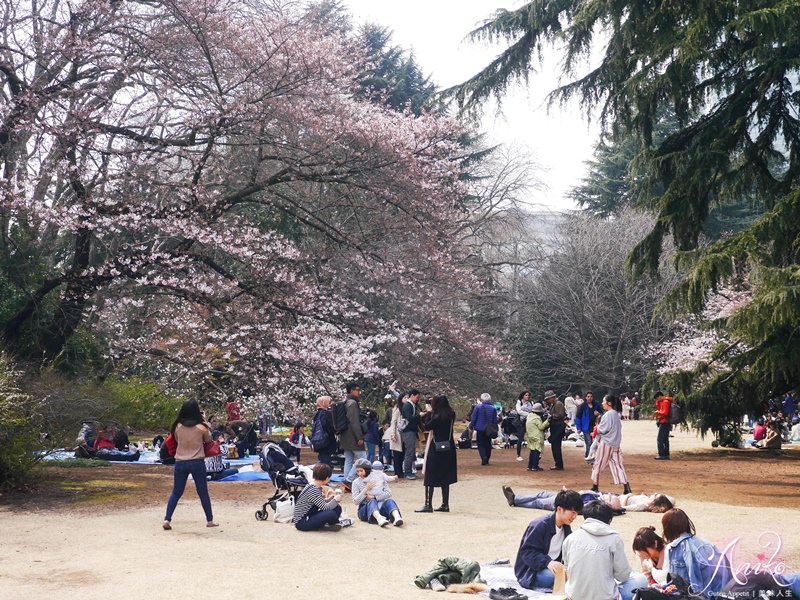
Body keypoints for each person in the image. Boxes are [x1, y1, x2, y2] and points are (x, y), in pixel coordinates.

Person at [562, 500, 647, 600]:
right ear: (609, 520)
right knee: (640, 580)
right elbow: (623, 576)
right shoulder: (614, 539)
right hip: (606, 597)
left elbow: (567, 569)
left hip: (575, 597)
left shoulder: (570, 538)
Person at [163, 399, 217, 530]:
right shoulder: (201, 427)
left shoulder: (178, 426)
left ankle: (167, 519)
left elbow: (175, 439)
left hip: (180, 461)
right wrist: (204, 422)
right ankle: (209, 520)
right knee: (203, 492)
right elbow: (209, 440)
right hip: (197, 461)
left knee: (176, 492)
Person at [514, 489, 583, 591]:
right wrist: (548, 563)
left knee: (579, 575)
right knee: (559, 578)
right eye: (572, 512)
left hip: (555, 568)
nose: (575, 517)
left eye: (576, 513)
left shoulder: (566, 528)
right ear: (559, 509)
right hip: (532, 571)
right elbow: (527, 552)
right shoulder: (539, 525)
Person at [661, 508, 731, 597]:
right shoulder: (706, 544)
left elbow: (683, 584)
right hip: (720, 594)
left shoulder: (675, 548)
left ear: (668, 528)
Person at [416, 395, 457, 513]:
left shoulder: (436, 416)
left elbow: (426, 426)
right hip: (449, 447)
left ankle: (428, 504)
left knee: (430, 474)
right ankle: (445, 504)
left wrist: (427, 414)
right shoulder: (451, 414)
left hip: (436, 447)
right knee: (446, 475)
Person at [502, 486, 674, 513]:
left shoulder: (642, 503)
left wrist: (619, 504)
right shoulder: (644, 499)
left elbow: (626, 508)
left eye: (655, 497)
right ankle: (516, 498)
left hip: (601, 499)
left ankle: (516, 500)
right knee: (544, 496)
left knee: (545, 501)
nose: (652, 495)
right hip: (599, 496)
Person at [591, 395, 632, 494]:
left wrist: (596, 429)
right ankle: (626, 487)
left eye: (603, 401)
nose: (602, 403)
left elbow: (603, 429)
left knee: (598, 464)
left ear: (609, 403)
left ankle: (595, 486)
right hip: (615, 444)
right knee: (618, 465)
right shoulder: (616, 415)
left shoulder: (608, 414)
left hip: (606, 443)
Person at [351, 458, 403, 527]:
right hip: (365, 510)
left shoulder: (379, 477)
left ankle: (397, 517)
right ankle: (379, 519)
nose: (359, 473)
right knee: (372, 501)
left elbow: (389, 493)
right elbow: (355, 501)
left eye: (361, 471)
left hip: (380, 506)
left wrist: (375, 497)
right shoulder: (356, 482)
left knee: (389, 501)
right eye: (357, 471)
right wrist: (366, 490)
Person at [293, 463, 344, 532]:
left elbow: (318, 503)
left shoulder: (313, 485)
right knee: (331, 513)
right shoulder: (313, 490)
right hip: (302, 522)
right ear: (327, 478)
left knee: (337, 508)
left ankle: (331, 523)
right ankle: (333, 523)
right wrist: (335, 499)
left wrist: (329, 500)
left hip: (309, 515)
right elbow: (326, 507)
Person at [340, 382, 366, 488]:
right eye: (357, 390)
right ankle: (349, 479)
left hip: (345, 436)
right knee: (363, 459)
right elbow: (354, 422)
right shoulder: (352, 404)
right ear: (351, 390)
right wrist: (359, 437)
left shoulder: (345, 402)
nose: (359, 392)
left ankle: (347, 483)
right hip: (353, 436)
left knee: (349, 460)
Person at [469, 392, 498, 466]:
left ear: (482, 399)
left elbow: (473, 418)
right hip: (489, 429)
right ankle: (487, 458)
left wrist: (471, 426)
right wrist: (496, 428)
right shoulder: (493, 408)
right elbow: (495, 420)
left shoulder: (478, 407)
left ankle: (483, 457)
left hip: (480, 428)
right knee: (488, 443)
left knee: (480, 444)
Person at [401, 389, 422, 479]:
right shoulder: (407, 406)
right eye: (417, 397)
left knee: (411, 451)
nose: (417, 399)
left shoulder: (411, 405)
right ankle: (407, 472)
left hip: (411, 431)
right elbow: (409, 418)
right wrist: (419, 416)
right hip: (408, 431)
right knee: (409, 452)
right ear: (412, 395)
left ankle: (409, 471)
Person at [543, 390, 566, 470]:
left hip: (558, 426)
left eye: (548, 399)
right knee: (555, 446)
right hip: (555, 426)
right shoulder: (554, 404)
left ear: (552, 397)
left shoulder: (558, 404)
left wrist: (551, 416)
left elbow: (560, 415)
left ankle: (559, 464)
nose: (547, 401)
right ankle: (558, 463)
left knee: (556, 446)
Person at [575, 391, 602, 459]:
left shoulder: (596, 405)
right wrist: (578, 427)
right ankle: (588, 455)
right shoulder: (582, 406)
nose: (589, 398)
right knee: (589, 442)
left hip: (595, 427)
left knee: (595, 442)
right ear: (585, 397)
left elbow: (602, 414)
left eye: (591, 397)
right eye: (588, 397)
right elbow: (578, 417)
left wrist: (598, 414)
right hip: (586, 427)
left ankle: (591, 455)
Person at [311, 395, 337, 466]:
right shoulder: (325, 414)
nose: (330, 403)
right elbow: (328, 427)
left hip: (319, 441)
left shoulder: (317, 414)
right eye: (328, 401)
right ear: (323, 403)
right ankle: (324, 475)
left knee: (322, 459)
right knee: (326, 462)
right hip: (326, 441)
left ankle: (321, 474)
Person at [525, 402, 548, 471]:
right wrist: (547, 421)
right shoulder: (537, 418)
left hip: (530, 436)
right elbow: (541, 427)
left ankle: (530, 466)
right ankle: (535, 466)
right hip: (537, 436)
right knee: (537, 451)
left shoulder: (529, 416)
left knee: (532, 451)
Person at [386, 396, 405, 478]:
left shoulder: (405, 408)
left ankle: (400, 471)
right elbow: (393, 422)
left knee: (402, 454)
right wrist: (392, 434)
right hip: (397, 434)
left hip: (403, 434)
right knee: (397, 454)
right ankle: (397, 472)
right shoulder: (397, 409)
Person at [515, 390, 534, 461]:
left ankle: (533, 453)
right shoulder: (519, 402)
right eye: (526, 395)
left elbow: (533, 410)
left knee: (531, 437)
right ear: (523, 395)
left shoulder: (531, 403)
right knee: (520, 438)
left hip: (530, 422)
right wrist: (529, 414)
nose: (527, 396)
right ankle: (518, 455)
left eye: (528, 395)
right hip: (522, 422)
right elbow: (519, 411)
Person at [654, 392, 672, 460]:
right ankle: (666, 454)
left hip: (664, 422)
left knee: (660, 439)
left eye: (657, 398)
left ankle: (661, 454)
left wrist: (658, 412)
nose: (657, 400)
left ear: (659, 396)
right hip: (665, 422)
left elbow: (665, 413)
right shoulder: (664, 401)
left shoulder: (665, 402)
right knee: (665, 439)